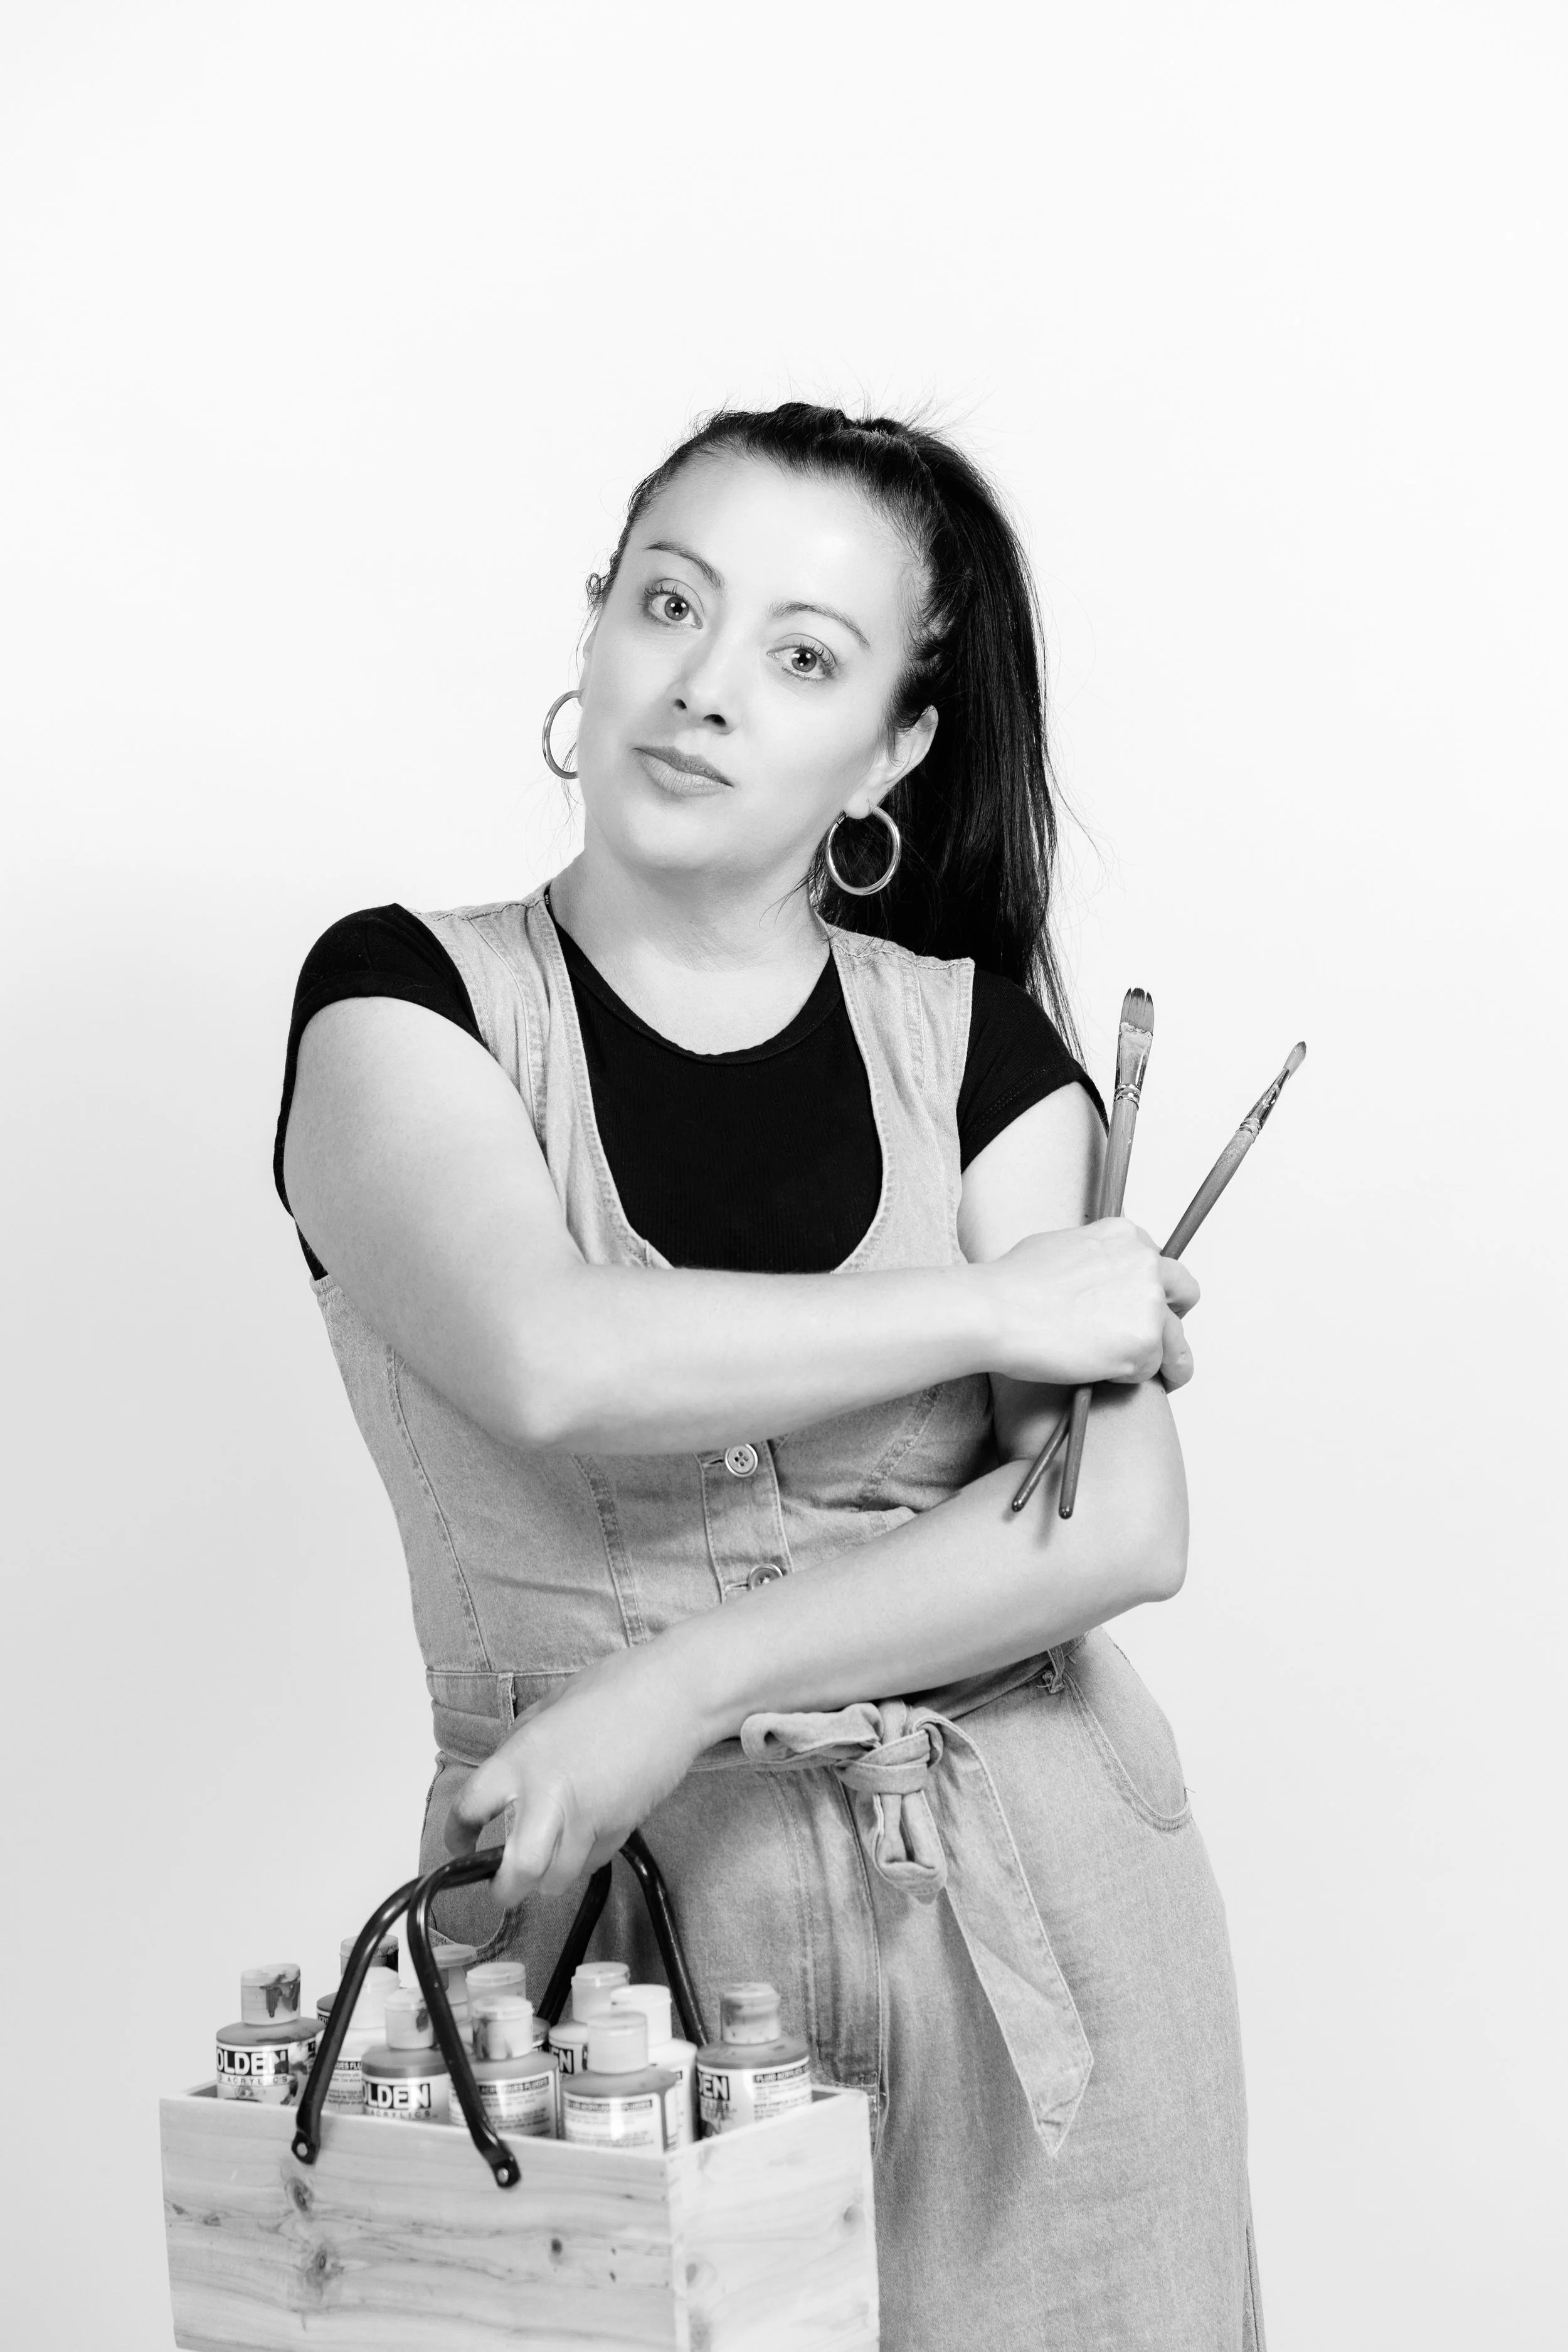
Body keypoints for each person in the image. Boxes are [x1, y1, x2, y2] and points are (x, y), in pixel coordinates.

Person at [275, 402, 1264, 2348]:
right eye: (669, 604)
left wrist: (683, 1682)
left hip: (1042, 1917)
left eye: (803, 657)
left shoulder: (982, 1048)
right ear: (594, 626)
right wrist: (995, 1310)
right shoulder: (399, 1004)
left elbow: (1113, 1526)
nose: (705, 685)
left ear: (891, 748)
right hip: (602, 1950)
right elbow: (556, 1355)